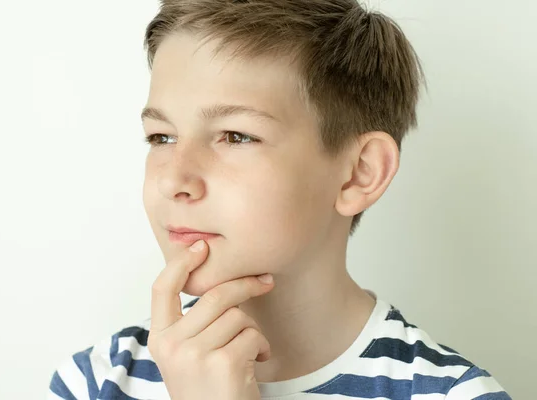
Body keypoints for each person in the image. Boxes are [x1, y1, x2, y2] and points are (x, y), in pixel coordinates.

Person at [48, 0, 511, 398]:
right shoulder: (97, 382)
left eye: (235, 136)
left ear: (358, 174)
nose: (175, 181)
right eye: (161, 137)